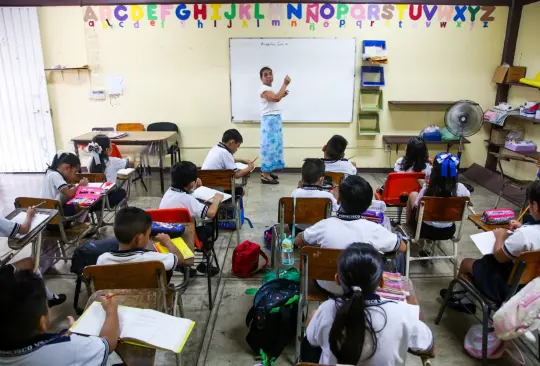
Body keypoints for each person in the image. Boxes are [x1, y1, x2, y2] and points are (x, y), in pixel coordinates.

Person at [302, 243, 433, 365]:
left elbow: (310, 344)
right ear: (382, 281)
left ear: (337, 279)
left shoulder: (326, 310)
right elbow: (429, 348)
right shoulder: (402, 313)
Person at [295, 175, 406, 294]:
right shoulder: (374, 229)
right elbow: (402, 247)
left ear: (338, 200)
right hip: (364, 288)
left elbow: (298, 241)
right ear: (369, 205)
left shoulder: (323, 226)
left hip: (326, 286)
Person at [441, 181, 540, 311]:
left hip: (507, 288)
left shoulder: (524, 235)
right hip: (532, 287)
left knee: (466, 263)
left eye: (530, 203)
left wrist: (500, 236)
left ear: (536, 206)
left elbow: (499, 256)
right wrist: (522, 228)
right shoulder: (527, 232)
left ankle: (464, 302)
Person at [0, 270, 118, 365]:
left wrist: (64, 337)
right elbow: (108, 343)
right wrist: (111, 310)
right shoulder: (72, 348)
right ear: (42, 323)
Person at [96, 207, 184, 280]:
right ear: (139, 239)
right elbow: (180, 259)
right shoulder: (155, 260)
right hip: (150, 299)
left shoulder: (103, 260)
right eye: (148, 235)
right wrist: (167, 241)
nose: (149, 238)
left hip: (117, 299)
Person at [405, 153, 470, 240]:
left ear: (433, 171)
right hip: (448, 232)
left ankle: (409, 227)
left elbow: (416, 209)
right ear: (455, 172)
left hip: (424, 231)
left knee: (413, 195)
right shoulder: (461, 189)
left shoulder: (427, 189)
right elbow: (468, 198)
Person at [259, 67, 290, 185]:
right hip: (269, 122)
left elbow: (276, 97)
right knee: (268, 148)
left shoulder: (269, 89)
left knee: (274, 147)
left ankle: (268, 171)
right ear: (261, 78)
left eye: (270, 74)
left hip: (274, 120)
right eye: (265, 74)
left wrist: (282, 94)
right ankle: (265, 175)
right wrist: (285, 84)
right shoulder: (263, 89)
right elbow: (276, 98)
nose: (268, 76)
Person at [86, 134, 132, 207]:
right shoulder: (112, 161)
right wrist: (129, 157)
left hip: (93, 200)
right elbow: (130, 162)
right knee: (122, 191)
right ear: (107, 150)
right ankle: (125, 213)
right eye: (111, 144)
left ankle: (99, 217)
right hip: (108, 200)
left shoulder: (89, 161)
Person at [40, 152, 88, 216]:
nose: (74, 176)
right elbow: (69, 194)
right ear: (67, 168)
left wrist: (68, 186)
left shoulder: (52, 174)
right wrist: (80, 185)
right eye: (75, 172)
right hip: (52, 215)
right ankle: (74, 224)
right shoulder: (55, 175)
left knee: (76, 203)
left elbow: (60, 192)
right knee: (80, 205)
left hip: (50, 212)